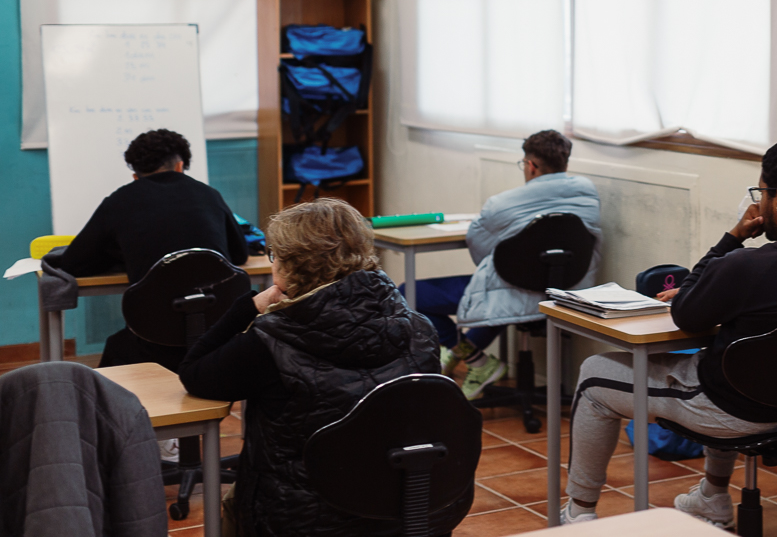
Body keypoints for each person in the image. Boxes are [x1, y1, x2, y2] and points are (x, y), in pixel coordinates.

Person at [560, 138, 777, 526]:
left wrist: (733, 237)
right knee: (724, 361)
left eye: (761, 193)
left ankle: (578, 514)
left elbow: (685, 313)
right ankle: (712, 495)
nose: (758, 203)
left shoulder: (746, 265)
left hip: (729, 411)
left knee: (595, 375)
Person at [179, 197, 442, 537]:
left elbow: (194, 372)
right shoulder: (420, 329)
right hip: (404, 505)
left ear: (290, 267)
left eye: (276, 257)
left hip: (303, 518)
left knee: (231, 505)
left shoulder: (270, 341)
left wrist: (247, 307)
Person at [410, 129, 601, 400]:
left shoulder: (500, 204)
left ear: (531, 165)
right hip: (567, 291)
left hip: (513, 290)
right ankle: (461, 359)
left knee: (408, 292)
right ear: (565, 162)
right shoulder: (588, 194)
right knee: (505, 288)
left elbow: (480, 249)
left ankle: (476, 361)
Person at [56, 128, 248, 370]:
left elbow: (73, 263)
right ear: (180, 166)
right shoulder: (209, 194)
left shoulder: (119, 201)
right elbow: (239, 255)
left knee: (117, 348)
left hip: (153, 336)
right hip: (220, 331)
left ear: (135, 176)